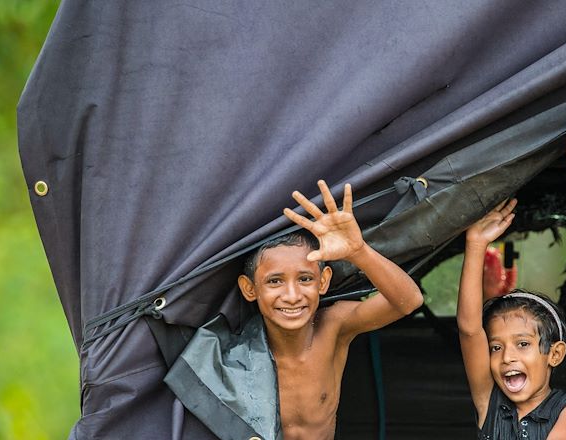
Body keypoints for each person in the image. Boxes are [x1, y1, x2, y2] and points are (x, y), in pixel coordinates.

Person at [168, 179, 423, 440]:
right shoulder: (234, 355)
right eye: (275, 281)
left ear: (323, 281)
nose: (292, 296)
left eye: (305, 279)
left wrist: (358, 251)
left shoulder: (334, 327)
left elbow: (408, 301)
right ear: (250, 289)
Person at [457, 199, 566, 439]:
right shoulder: (490, 405)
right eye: (496, 347)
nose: (507, 357)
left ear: (555, 354)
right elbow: (470, 330)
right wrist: (476, 244)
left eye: (522, 344)